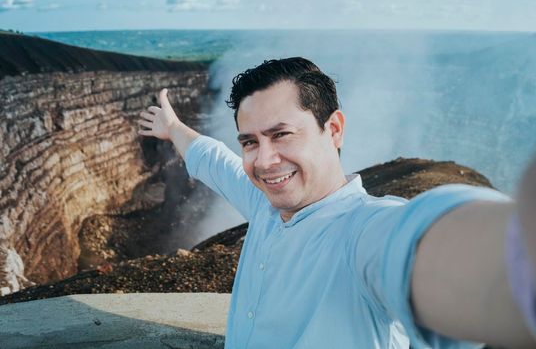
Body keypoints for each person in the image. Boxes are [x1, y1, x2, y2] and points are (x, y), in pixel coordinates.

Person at [138, 57, 536, 348]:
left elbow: (423, 251)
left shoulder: (365, 232)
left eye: (282, 135)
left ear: (334, 129)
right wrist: (173, 128)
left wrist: (517, 253)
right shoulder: (266, 203)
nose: (263, 160)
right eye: (250, 142)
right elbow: (216, 162)